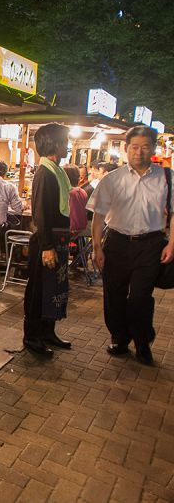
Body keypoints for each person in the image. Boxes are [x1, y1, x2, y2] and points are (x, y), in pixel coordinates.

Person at [89, 126, 174, 366]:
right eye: (134, 147)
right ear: (126, 149)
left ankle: (143, 342)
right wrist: (97, 247)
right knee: (114, 294)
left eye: (145, 147)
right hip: (116, 242)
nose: (139, 152)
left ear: (153, 149)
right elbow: (98, 216)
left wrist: (172, 244)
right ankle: (120, 338)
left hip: (151, 244)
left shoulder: (167, 177)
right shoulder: (112, 179)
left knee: (139, 297)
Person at [22, 123, 72, 357]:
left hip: (57, 240)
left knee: (53, 290)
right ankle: (32, 337)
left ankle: (47, 332)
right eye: (65, 141)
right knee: (38, 291)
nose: (68, 145)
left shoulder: (57, 170)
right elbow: (40, 212)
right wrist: (48, 246)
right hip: (46, 242)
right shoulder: (44, 173)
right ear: (54, 143)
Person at [63, 165, 88, 234]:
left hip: (71, 232)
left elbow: (73, 218)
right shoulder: (83, 191)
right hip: (82, 230)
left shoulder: (69, 193)